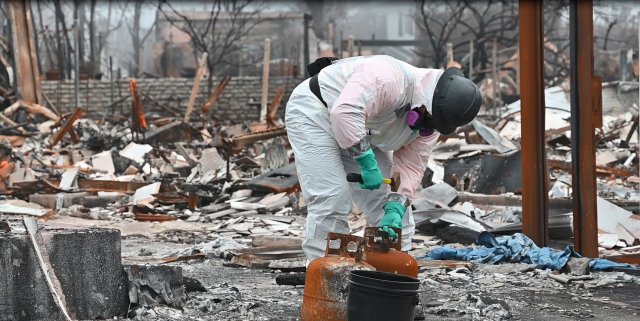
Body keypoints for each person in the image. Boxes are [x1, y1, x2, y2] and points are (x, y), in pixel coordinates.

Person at [285, 55, 481, 261]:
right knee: (332, 196)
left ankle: (387, 272)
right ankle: (325, 270)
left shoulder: (430, 123)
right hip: (316, 112)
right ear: (432, 101)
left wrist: (396, 205)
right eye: (432, 119)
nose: (430, 125)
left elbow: (411, 167)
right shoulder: (390, 79)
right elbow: (345, 112)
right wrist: (367, 163)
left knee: (393, 207)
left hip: (364, 129)